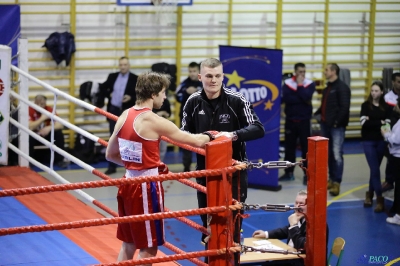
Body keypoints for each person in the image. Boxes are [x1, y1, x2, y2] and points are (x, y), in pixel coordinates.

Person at [105, 71, 211, 263]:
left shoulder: (124, 114)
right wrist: (216, 135)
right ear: (153, 94)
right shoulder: (154, 121)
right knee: (149, 247)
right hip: (146, 187)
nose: (165, 97)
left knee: (129, 242)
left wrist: (136, 165)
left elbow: (110, 154)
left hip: (128, 182)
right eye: (163, 93)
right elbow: (195, 141)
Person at [181, 58, 265, 262]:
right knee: (208, 227)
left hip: (234, 175)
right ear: (200, 77)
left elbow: (258, 128)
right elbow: (183, 135)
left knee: (232, 228)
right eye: (209, 76)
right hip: (205, 174)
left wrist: (232, 135)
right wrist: (200, 140)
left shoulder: (237, 100)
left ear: (223, 76)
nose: (213, 80)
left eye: (218, 75)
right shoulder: (192, 101)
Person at [252, 190, 329, 266]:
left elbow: (303, 245)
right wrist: (266, 234)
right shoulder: (300, 215)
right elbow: (287, 230)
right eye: (296, 203)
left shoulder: (318, 225)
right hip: (291, 257)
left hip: (302, 262)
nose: (297, 206)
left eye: (301, 203)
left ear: (310, 205)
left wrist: (293, 226)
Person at [314, 63, 351, 196]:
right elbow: (325, 106)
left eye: (327, 70)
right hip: (326, 125)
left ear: (334, 71)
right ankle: (331, 178)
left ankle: (337, 182)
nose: (324, 72)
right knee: (329, 154)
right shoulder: (327, 88)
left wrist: (336, 123)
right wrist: (317, 113)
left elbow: (344, 108)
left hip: (336, 127)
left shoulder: (342, 88)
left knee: (336, 154)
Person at [100, 56, 138, 175]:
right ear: (119, 65)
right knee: (113, 137)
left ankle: (131, 165)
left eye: (125, 64)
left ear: (129, 65)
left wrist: (131, 98)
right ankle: (112, 166)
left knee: (129, 138)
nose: (123, 67)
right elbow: (103, 88)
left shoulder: (135, 78)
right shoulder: (112, 76)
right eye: (121, 65)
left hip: (127, 112)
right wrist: (109, 94)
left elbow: (140, 94)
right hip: (114, 109)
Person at [279, 63, 316, 186]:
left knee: (306, 150)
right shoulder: (288, 83)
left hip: (304, 122)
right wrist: (301, 98)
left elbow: (307, 96)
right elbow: (287, 99)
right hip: (290, 121)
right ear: (295, 72)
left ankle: (307, 174)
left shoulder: (309, 84)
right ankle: (289, 172)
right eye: (300, 72)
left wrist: (300, 86)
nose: (302, 74)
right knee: (289, 149)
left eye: (304, 72)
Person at [360, 81, 391, 212]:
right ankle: (379, 199)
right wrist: (380, 122)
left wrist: (371, 121)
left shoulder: (387, 107)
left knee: (375, 170)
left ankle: (369, 194)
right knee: (375, 169)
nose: (373, 93)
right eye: (372, 90)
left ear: (382, 92)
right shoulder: (365, 106)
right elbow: (363, 124)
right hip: (368, 141)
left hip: (381, 142)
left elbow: (388, 125)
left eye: (376, 91)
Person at [175, 62, 203, 172]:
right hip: (185, 118)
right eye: (190, 71)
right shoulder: (184, 84)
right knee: (185, 141)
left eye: (194, 71)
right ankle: (186, 167)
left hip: (200, 117)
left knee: (201, 141)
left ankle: (202, 165)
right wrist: (186, 92)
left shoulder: (203, 83)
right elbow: (177, 96)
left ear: (198, 72)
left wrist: (197, 91)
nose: (192, 74)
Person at [28, 94, 69, 168]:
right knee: (28, 135)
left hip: (45, 134)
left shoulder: (49, 109)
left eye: (42, 104)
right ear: (34, 103)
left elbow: (60, 125)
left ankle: (59, 159)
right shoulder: (30, 109)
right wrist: (42, 118)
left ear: (45, 103)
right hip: (34, 135)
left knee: (58, 133)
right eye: (37, 103)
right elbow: (30, 126)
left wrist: (49, 128)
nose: (39, 106)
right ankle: (29, 161)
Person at [381, 98, 400, 226]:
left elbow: (396, 139)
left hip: (398, 157)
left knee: (398, 186)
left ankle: (398, 216)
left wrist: (386, 134)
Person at [381, 72, 400, 192]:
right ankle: (389, 181)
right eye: (398, 81)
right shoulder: (387, 98)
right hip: (392, 132)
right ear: (393, 82)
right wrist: (386, 136)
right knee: (390, 158)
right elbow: (385, 118)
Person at [153, 97, 171, 161]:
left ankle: (159, 165)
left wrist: (164, 114)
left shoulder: (165, 100)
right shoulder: (150, 100)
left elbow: (169, 113)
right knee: (153, 148)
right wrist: (158, 114)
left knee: (163, 148)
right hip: (152, 127)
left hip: (163, 126)